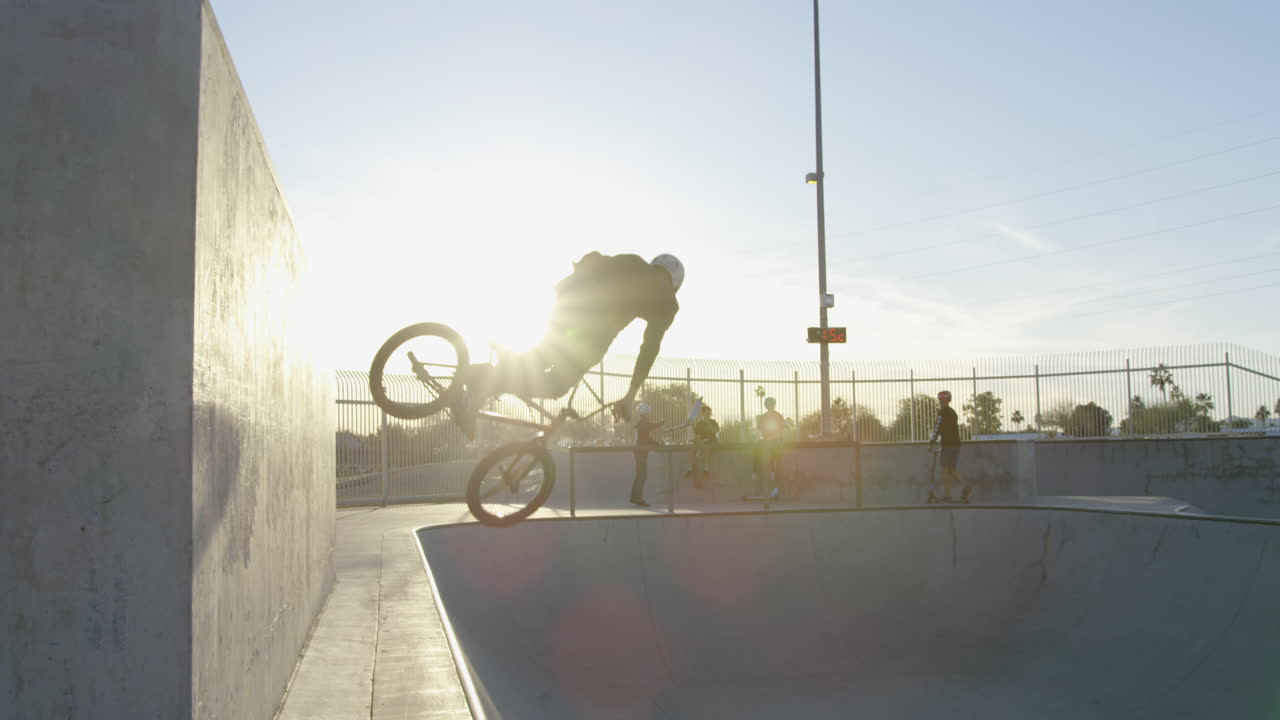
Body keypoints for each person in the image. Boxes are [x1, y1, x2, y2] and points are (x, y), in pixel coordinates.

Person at [456, 252, 683, 435]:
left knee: (536, 358)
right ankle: (483, 379)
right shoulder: (668, 303)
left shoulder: (633, 260)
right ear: (675, 283)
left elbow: (592, 261)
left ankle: (479, 384)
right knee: (556, 385)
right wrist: (629, 396)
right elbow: (649, 348)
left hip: (567, 307)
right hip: (591, 336)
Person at [927, 390, 970, 502]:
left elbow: (937, 427)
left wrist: (931, 443)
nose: (939, 401)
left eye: (940, 399)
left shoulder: (942, 412)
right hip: (956, 444)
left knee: (944, 470)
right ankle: (965, 486)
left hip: (947, 445)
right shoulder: (953, 412)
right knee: (952, 469)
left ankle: (948, 495)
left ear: (944, 400)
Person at [631, 404, 663, 507]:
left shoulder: (640, 424)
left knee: (640, 475)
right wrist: (661, 422)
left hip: (640, 452)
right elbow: (651, 427)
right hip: (640, 452)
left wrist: (656, 443)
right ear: (645, 414)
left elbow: (647, 438)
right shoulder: (642, 424)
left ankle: (635, 497)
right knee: (642, 475)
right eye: (648, 414)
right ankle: (637, 498)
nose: (649, 415)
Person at [754, 397, 786, 496]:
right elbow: (760, 430)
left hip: (776, 441)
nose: (769, 406)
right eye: (768, 405)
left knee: (775, 451)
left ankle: (773, 472)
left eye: (770, 404)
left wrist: (772, 437)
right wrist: (765, 437)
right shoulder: (763, 417)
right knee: (757, 447)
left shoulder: (778, 416)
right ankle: (755, 471)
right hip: (766, 440)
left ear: (773, 405)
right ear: (766, 406)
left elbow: (781, 430)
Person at [686, 404, 719, 489]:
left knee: (706, 447)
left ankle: (706, 469)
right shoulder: (699, 423)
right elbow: (697, 435)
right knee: (692, 447)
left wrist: (709, 424)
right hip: (702, 442)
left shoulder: (713, 422)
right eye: (707, 413)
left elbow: (715, 431)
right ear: (703, 414)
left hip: (711, 442)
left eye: (709, 413)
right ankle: (690, 468)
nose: (708, 414)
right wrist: (699, 441)